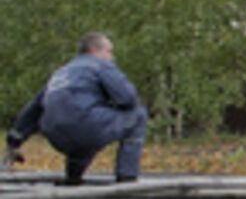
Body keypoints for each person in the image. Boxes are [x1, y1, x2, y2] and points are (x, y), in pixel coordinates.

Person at [5, 32, 148, 185]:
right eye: (109, 51)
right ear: (94, 50)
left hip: (55, 134)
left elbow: (33, 109)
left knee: (82, 137)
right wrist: (115, 107)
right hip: (85, 126)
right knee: (138, 115)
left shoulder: (61, 72)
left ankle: (73, 178)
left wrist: (15, 141)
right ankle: (127, 177)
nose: (112, 57)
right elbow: (128, 98)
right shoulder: (99, 65)